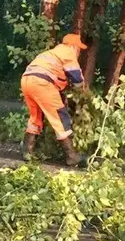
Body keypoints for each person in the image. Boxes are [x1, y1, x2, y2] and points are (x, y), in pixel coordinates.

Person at [20, 33, 87, 166]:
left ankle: (27, 151)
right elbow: (77, 80)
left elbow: (55, 77)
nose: (79, 52)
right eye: (79, 48)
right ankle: (72, 156)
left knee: (35, 117)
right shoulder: (68, 53)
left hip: (27, 80)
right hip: (42, 83)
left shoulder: (51, 53)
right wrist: (83, 94)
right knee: (60, 118)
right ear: (73, 46)